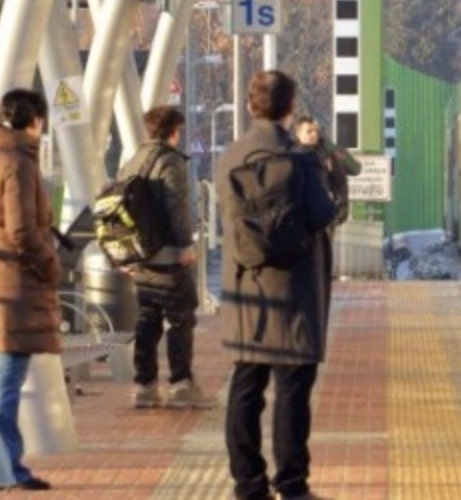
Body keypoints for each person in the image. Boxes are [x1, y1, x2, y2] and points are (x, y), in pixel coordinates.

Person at [214, 71, 336, 500]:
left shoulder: (230, 157)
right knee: (292, 392)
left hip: (247, 290)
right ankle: (292, 484)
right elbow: (323, 214)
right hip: (294, 292)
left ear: (251, 106)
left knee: (246, 387)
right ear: (290, 108)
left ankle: (248, 484)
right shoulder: (301, 161)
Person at [120, 105, 216, 410]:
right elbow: (177, 207)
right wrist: (186, 245)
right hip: (168, 256)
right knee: (180, 318)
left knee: (147, 318)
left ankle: (144, 386)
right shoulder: (170, 162)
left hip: (141, 256)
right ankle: (181, 384)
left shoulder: (132, 161)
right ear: (174, 131)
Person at [0, 88, 59, 492]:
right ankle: (9, 470)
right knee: (7, 381)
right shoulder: (18, 161)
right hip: (15, 285)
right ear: (36, 120)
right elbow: (22, 229)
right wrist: (49, 263)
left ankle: (10, 467)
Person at [294, 115, 361, 227]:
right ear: (298, 134)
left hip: (324, 214)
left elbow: (340, 181)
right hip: (298, 216)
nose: (313, 134)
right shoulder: (291, 155)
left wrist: (341, 208)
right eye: (309, 131)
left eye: (315, 131)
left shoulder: (328, 154)